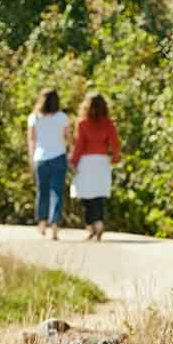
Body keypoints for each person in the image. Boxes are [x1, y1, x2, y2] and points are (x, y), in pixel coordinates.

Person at [69, 91, 121, 241]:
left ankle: (91, 225)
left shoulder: (83, 123)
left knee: (86, 194)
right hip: (101, 161)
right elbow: (115, 142)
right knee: (98, 195)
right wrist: (115, 157)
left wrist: (73, 161)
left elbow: (79, 145)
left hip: (86, 162)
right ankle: (98, 223)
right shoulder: (108, 123)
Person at [26, 88, 69, 240]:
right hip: (58, 156)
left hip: (41, 158)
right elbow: (67, 137)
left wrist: (31, 158)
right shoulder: (62, 117)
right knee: (56, 192)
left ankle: (42, 224)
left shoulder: (34, 118)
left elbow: (32, 140)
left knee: (42, 192)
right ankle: (55, 226)